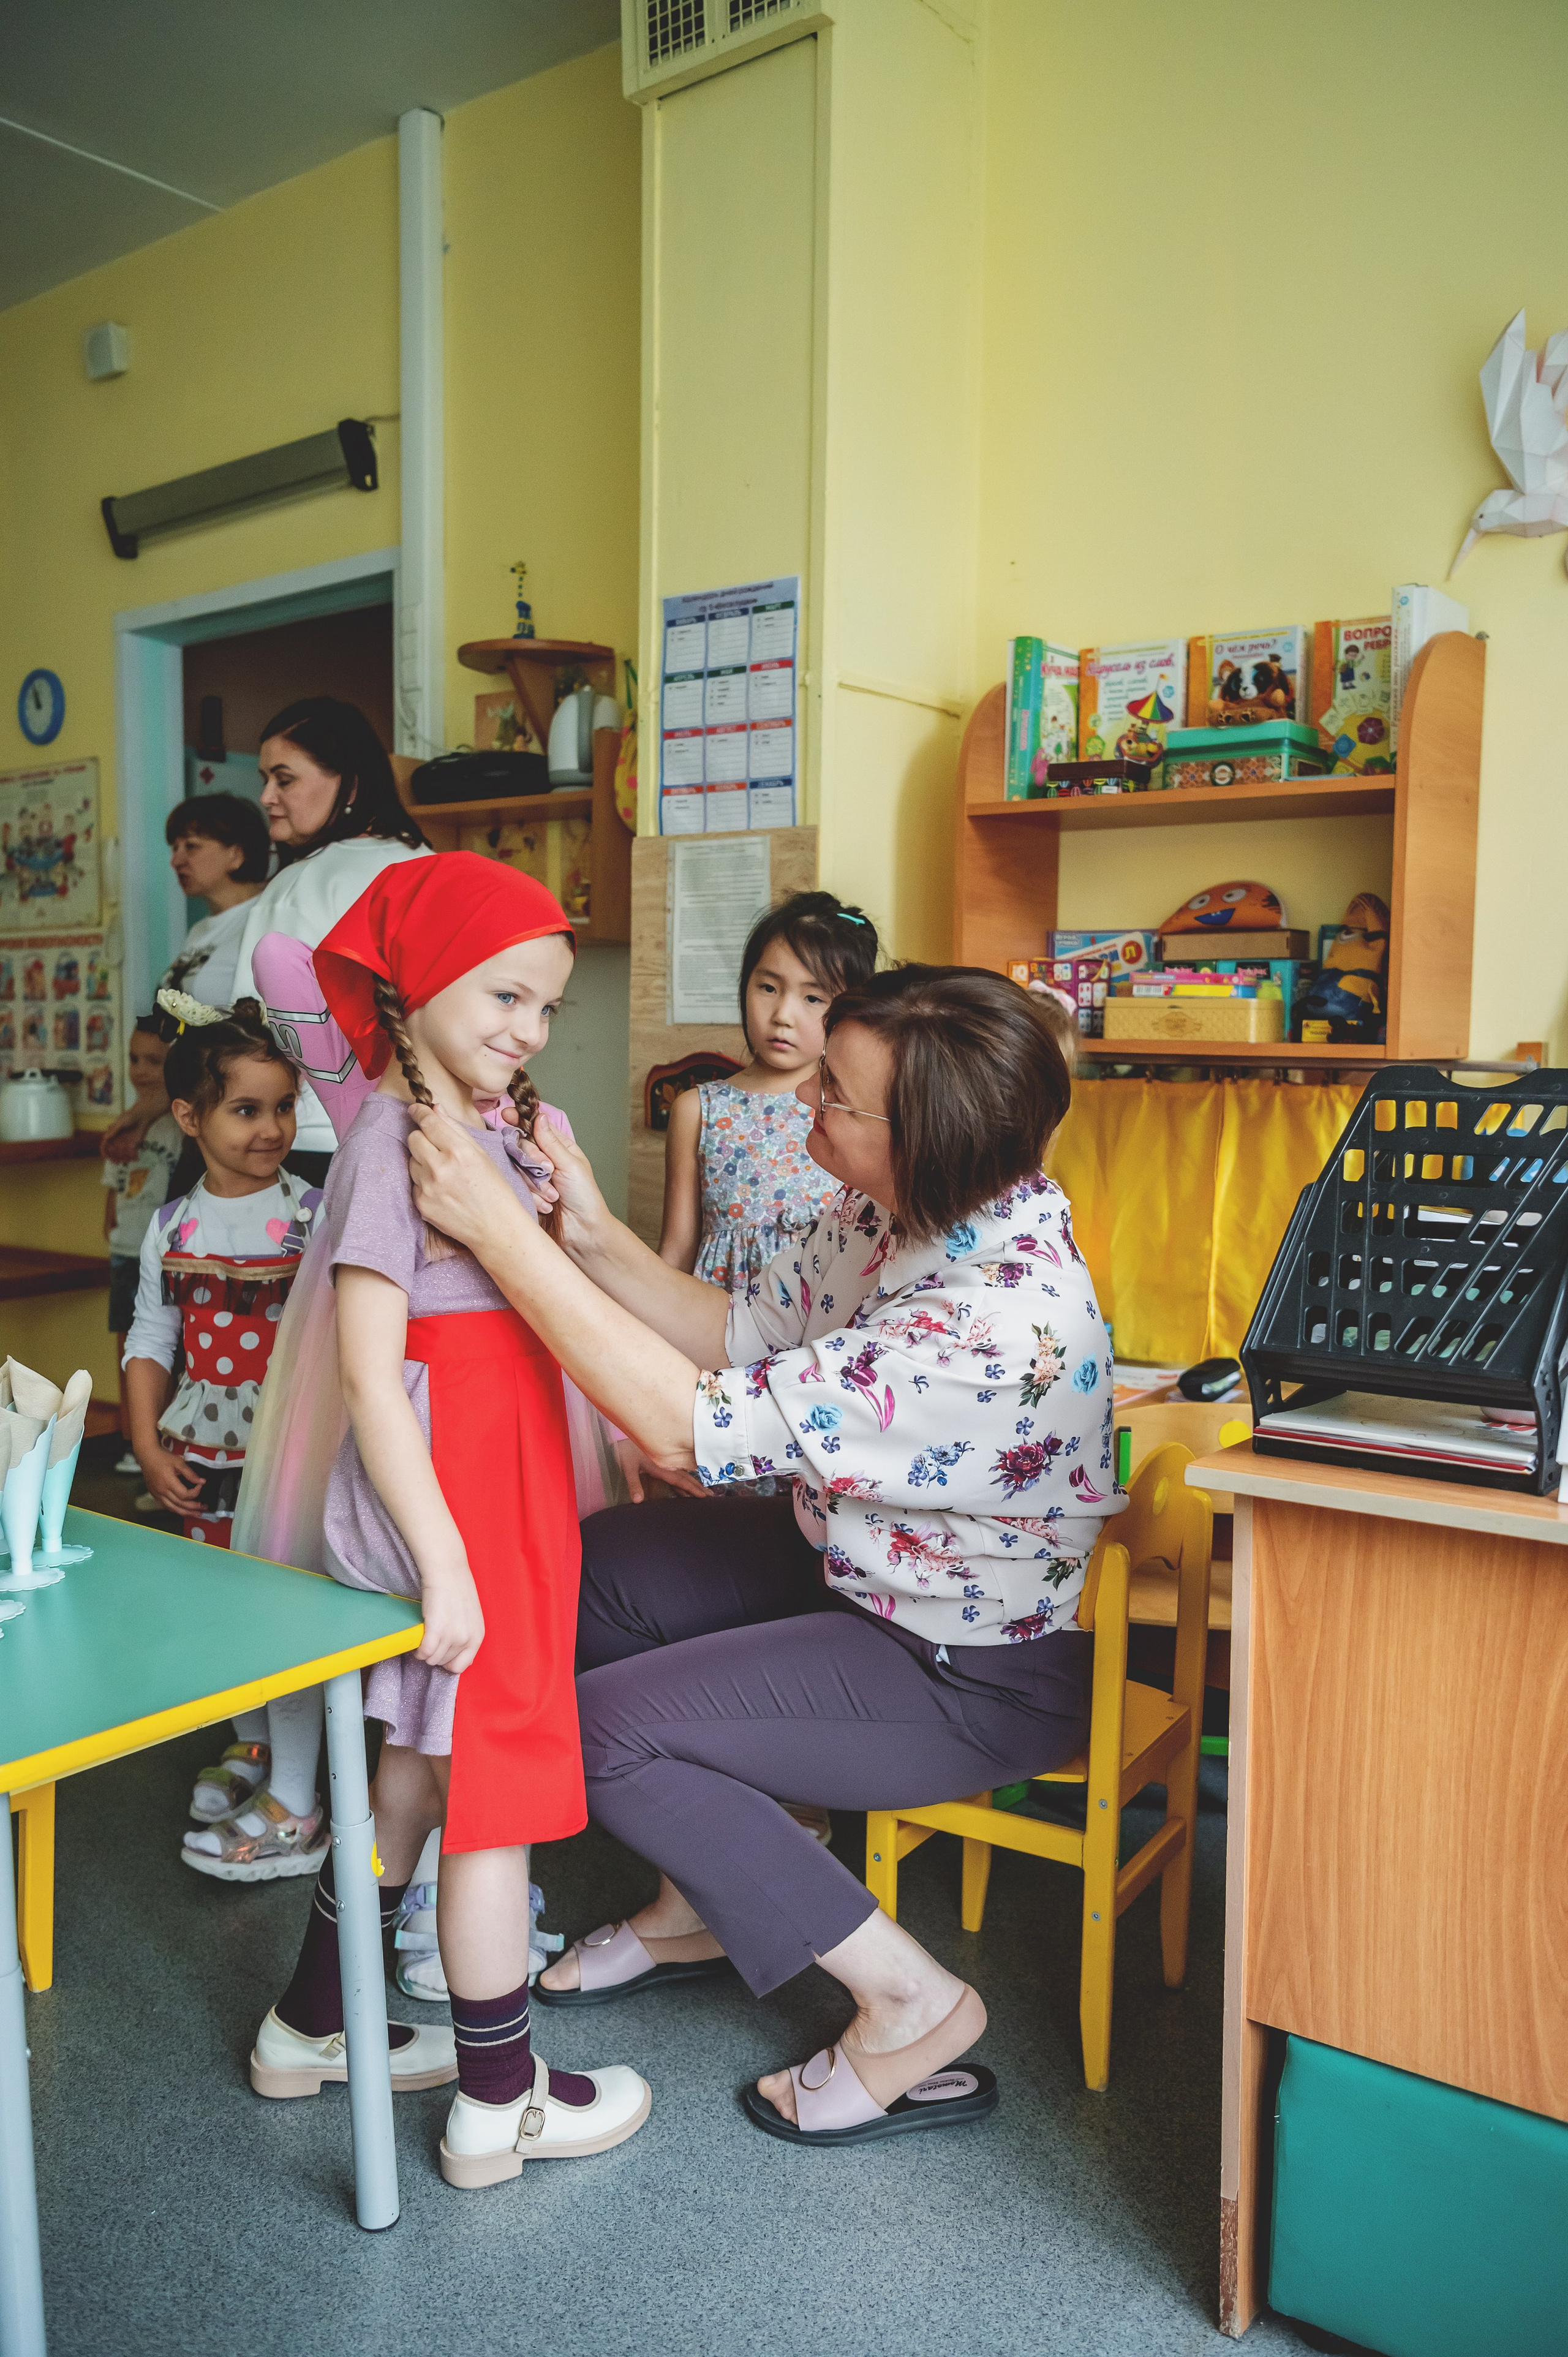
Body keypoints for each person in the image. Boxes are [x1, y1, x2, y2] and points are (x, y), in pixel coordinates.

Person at [402, 964, 1124, 2146]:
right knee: (599, 1577)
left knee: (603, 1728)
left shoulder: (993, 1321)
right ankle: (700, 1895)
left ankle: (912, 1998)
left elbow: (689, 1421)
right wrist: (584, 1230)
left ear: (925, 1138)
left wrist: (498, 1234)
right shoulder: (897, 1204)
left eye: (835, 1094)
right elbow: (741, 1331)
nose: (804, 1108)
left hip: (967, 1665)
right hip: (856, 1564)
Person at [238, 853, 649, 2185]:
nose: (529, 1030)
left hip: (500, 1483)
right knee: (494, 1789)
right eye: (506, 995)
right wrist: (448, 1564)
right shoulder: (389, 1142)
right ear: (417, 985)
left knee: (415, 1773)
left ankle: (308, 2024)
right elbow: (369, 1373)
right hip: (457, 1504)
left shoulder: (488, 1126)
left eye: (545, 1007)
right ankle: (499, 2096)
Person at [121, 994, 326, 1880]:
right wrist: (148, 1439)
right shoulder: (173, 1228)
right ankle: (252, 1747)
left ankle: (299, 1789)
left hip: (294, 1447)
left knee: (289, 1617)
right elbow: (150, 1337)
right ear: (190, 1118)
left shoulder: (315, 1214)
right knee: (228, 1606)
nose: (273, 1127)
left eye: (284, 1106)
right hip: (207, 1446)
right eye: (247, 1109)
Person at [228, 698, 429, 1183]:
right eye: (265, 780)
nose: (267, 797)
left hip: (315, 1142)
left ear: (350, 782)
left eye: (285, 778)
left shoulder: (300, 886)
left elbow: (253, 1029)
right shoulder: (429, 864)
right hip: (428, 1137)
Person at [658, 891, 880, 1294]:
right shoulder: (698, 1110)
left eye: (813, 998)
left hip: (826, 1337)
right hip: (719, 1334)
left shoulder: (860, 1112)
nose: (782, 1016)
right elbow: (676, 1251)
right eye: (768, 988)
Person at [102, 1017, 181, 1476]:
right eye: (135, 1059)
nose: (141, 1069)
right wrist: (113, 1236)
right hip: (126, 1252)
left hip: (164, 1253)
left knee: (165, 1348)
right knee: (128, 1346)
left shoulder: (179, 1125)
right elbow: (112, 1197)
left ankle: (163, 1437)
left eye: (155, 1060)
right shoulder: (122, 1131)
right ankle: (134, 1440)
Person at [162, 792, 273, 1006]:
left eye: (191, 846)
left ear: (236, 854)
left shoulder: (265, 919)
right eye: (175, 848)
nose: (176, 861)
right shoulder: (200, 931)